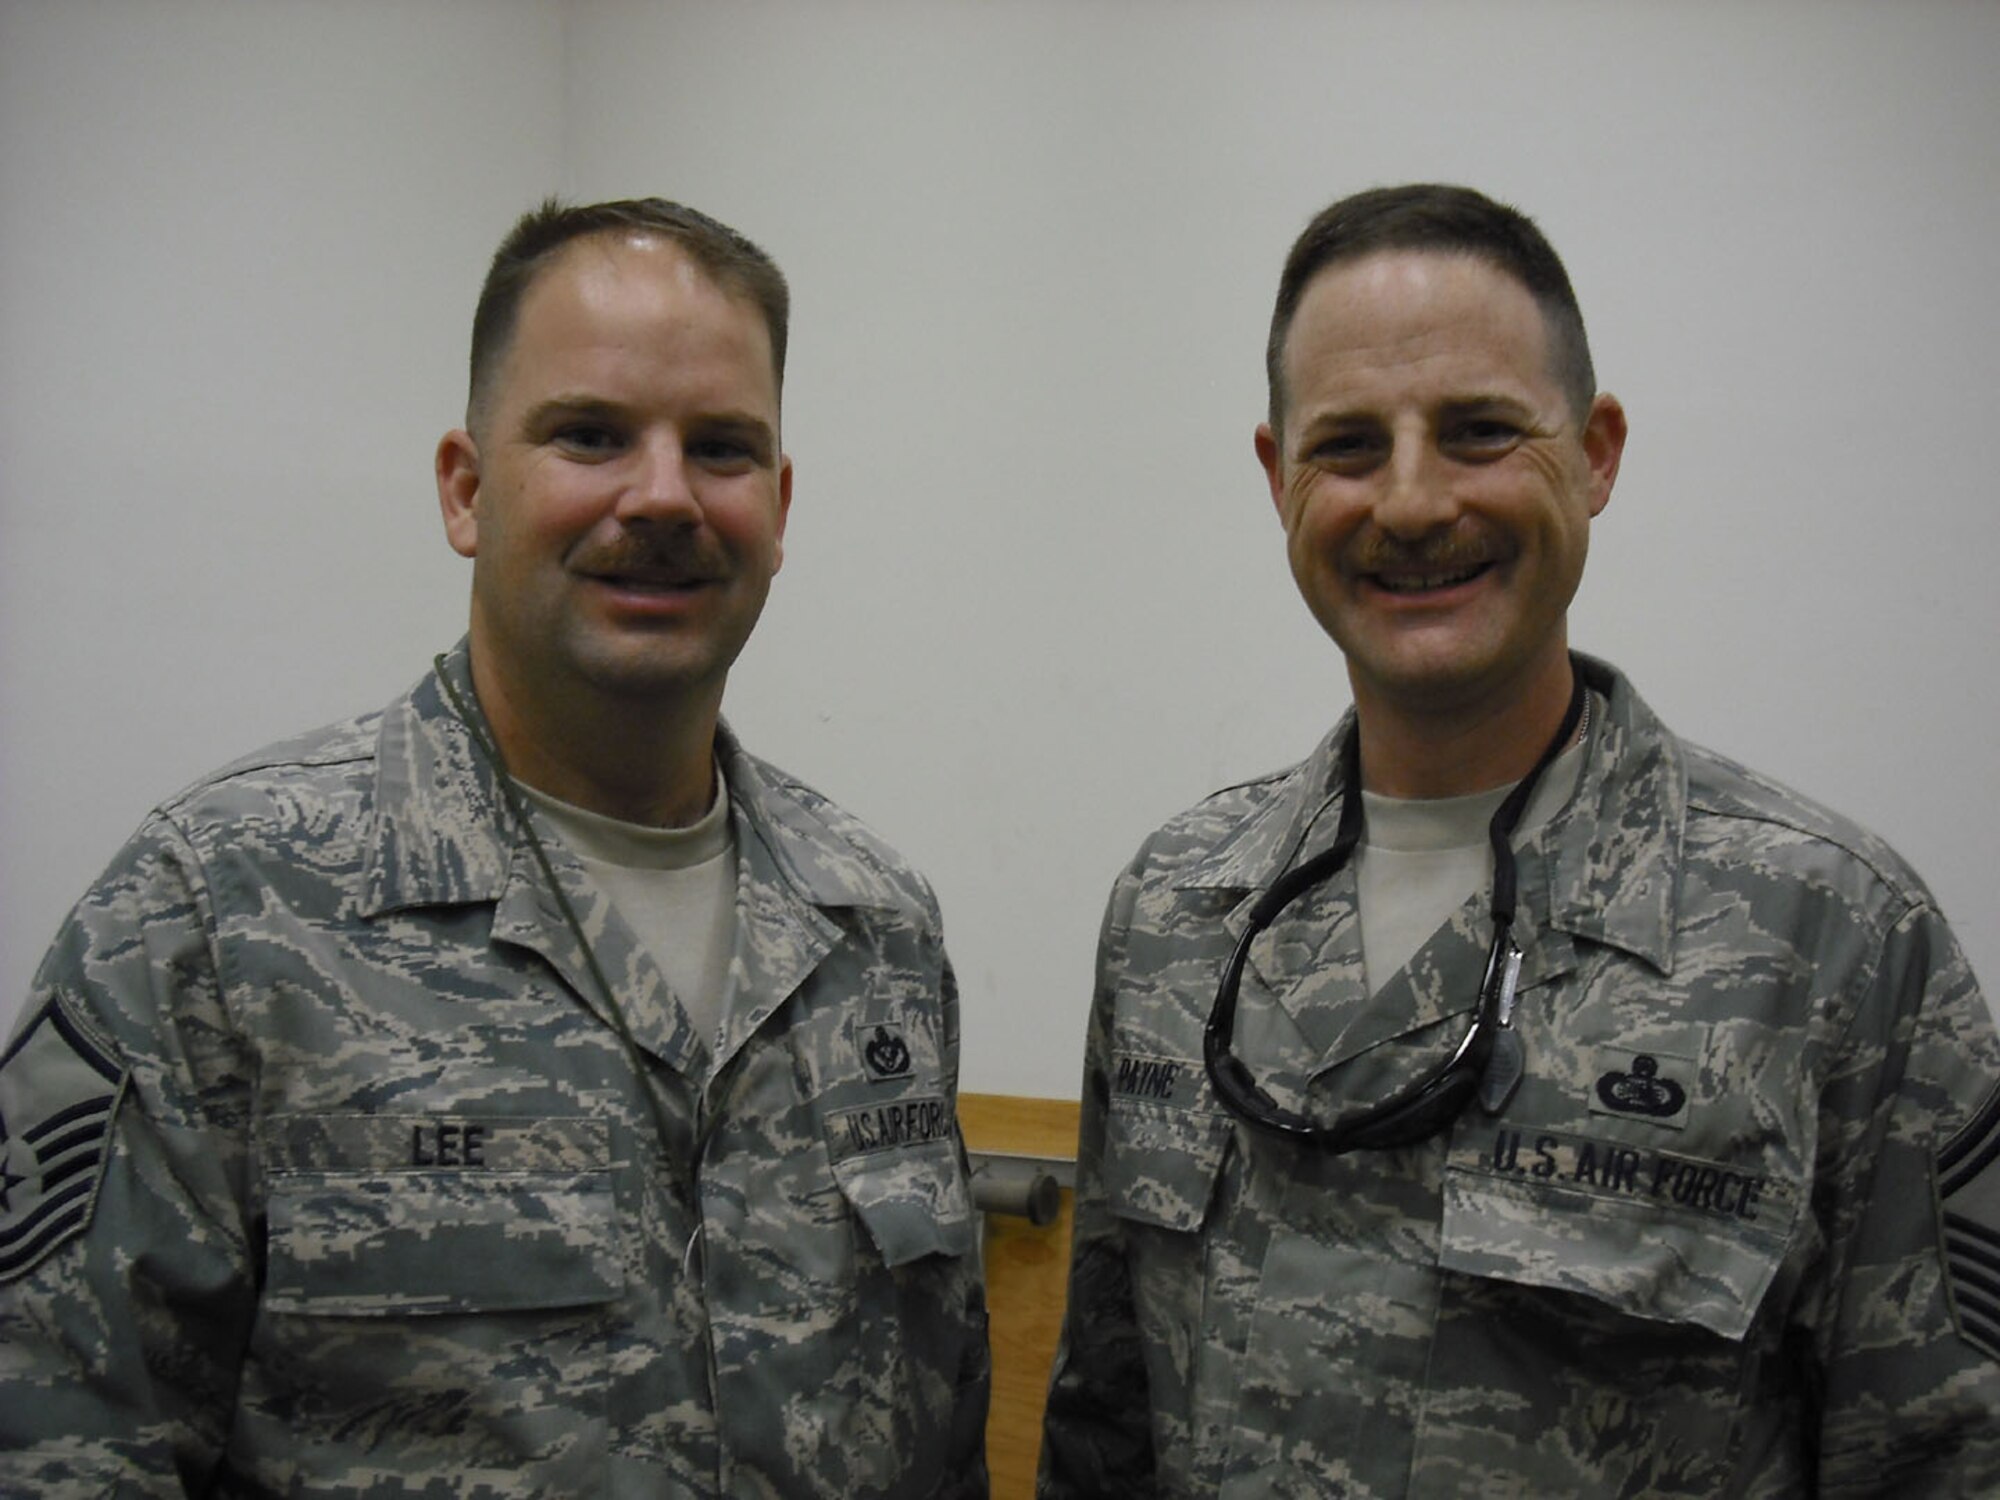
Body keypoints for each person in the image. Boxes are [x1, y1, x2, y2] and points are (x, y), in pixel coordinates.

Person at [0, 197, 989, 1497]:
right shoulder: (217, 912)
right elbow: (59, 1444)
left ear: (783, 504)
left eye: (724, 448)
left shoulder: (874, 930)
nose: (663, 494)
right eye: (589, 435)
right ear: (466, 489)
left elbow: (942, 1435)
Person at [1038, 183, 2000, 1496]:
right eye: (1351, 446)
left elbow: (1947, 1463)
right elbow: (1106, 1437)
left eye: (1481, 431)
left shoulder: (1832, 938)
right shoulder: (1174, 917)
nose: (1416, 501)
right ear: (1278, 479)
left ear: (1596, 452)